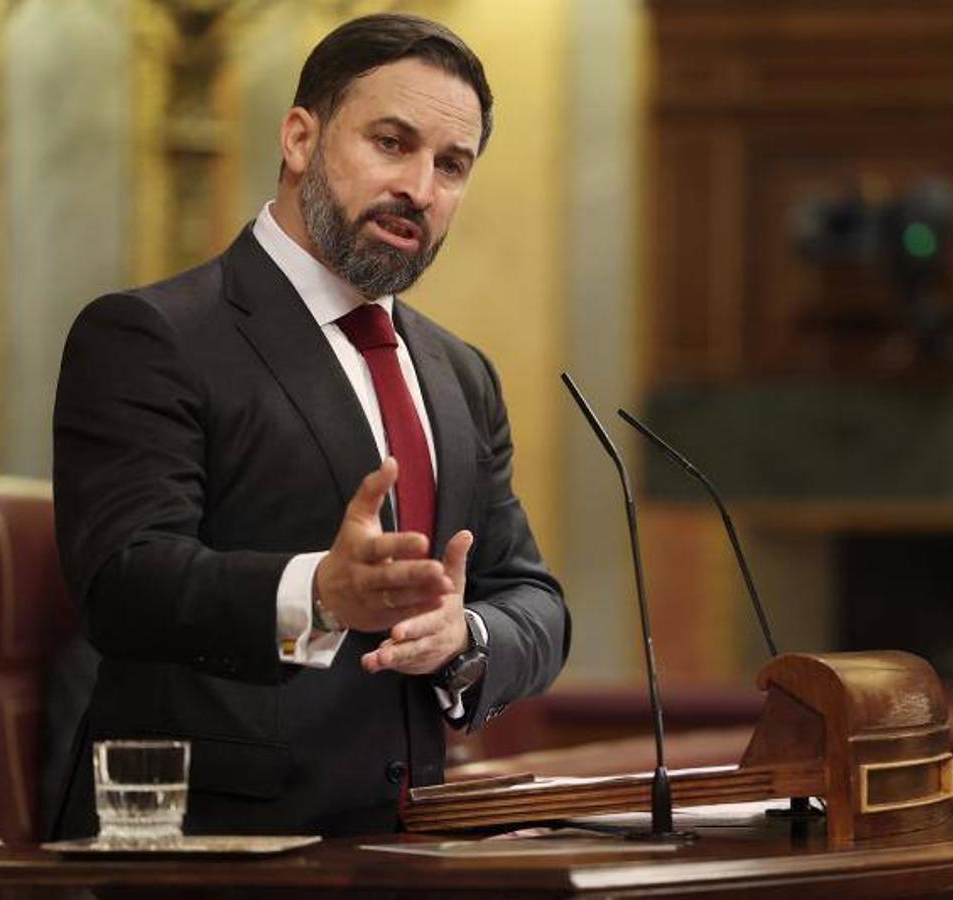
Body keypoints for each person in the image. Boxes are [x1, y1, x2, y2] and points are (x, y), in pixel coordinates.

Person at [51, 13, 568, 837]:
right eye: (391, 143)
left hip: (410, 847)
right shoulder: (152, 334)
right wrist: (317, 596)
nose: (421, 189)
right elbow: (123, 583)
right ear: (299, 138)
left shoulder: (459, 372)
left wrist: (463, 636)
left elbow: (531, 599)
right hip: (202, 847)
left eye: (452, 165)